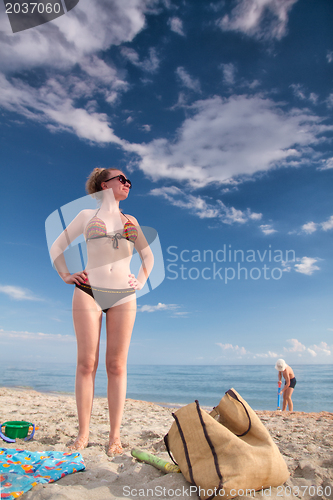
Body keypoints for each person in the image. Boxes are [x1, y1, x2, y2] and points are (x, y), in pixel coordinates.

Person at [50, 167, 154, 455]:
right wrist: (66, 275)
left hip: (123, 295)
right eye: (122, 179)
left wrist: (141, 281)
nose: (128, 183)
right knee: (86, 364)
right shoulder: (86, 217)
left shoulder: (130, 220)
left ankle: (114, 437)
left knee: (117, 366)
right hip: (88, 291)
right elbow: (57, 246)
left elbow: (148, 256)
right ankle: (83, 435)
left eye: (129, 180)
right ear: (103, 184)